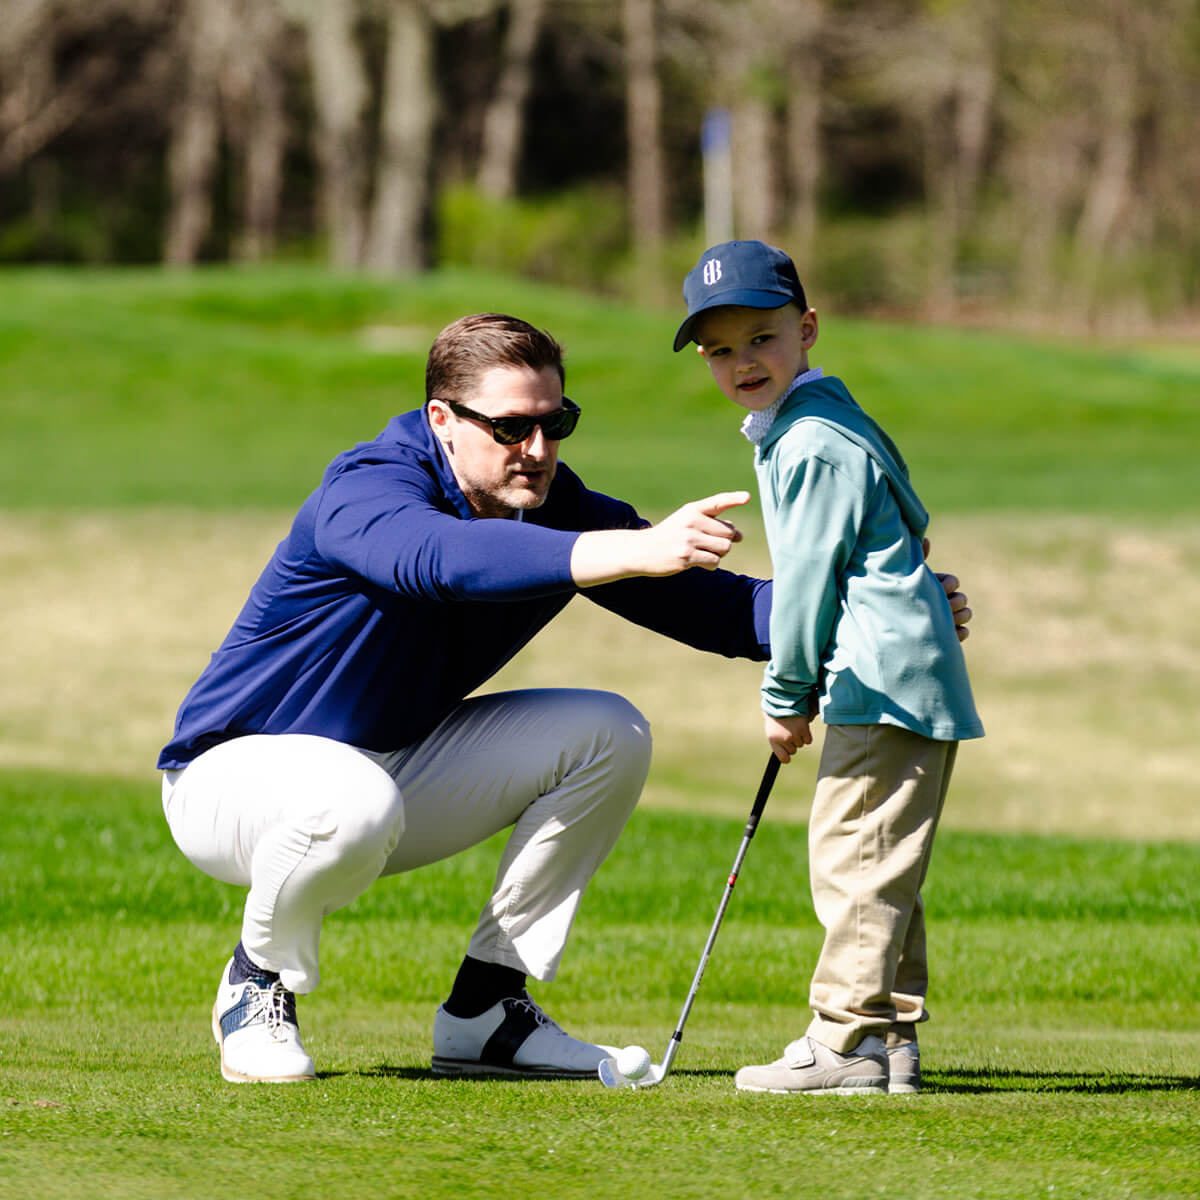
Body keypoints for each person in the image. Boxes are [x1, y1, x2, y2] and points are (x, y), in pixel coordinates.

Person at [159, 311, 972, 1085]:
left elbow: (722, 609)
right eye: (511, 427)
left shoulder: (555, 507)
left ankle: (486, 1011)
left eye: (557, 422)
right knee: (353, 798)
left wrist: (887, 604)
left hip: (390, 769)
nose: (538, 448)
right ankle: (257, 984)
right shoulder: (366, 486)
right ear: (442, 420)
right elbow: (440, 559)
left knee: (606, 731)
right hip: (229, 783)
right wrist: (627, 547)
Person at [673, 240, 984, 1096]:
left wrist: (785, 695)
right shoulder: (827, 417)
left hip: (877, 674)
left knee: (853, 856)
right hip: (896, 667)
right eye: (720, 348)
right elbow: (902, 535)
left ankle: (844, 1043)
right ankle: (886, 1038)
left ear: (806, 329)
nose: (742, 361)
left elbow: (807, 582)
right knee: (881, 861)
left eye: (761, 338)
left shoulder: (807, 440)